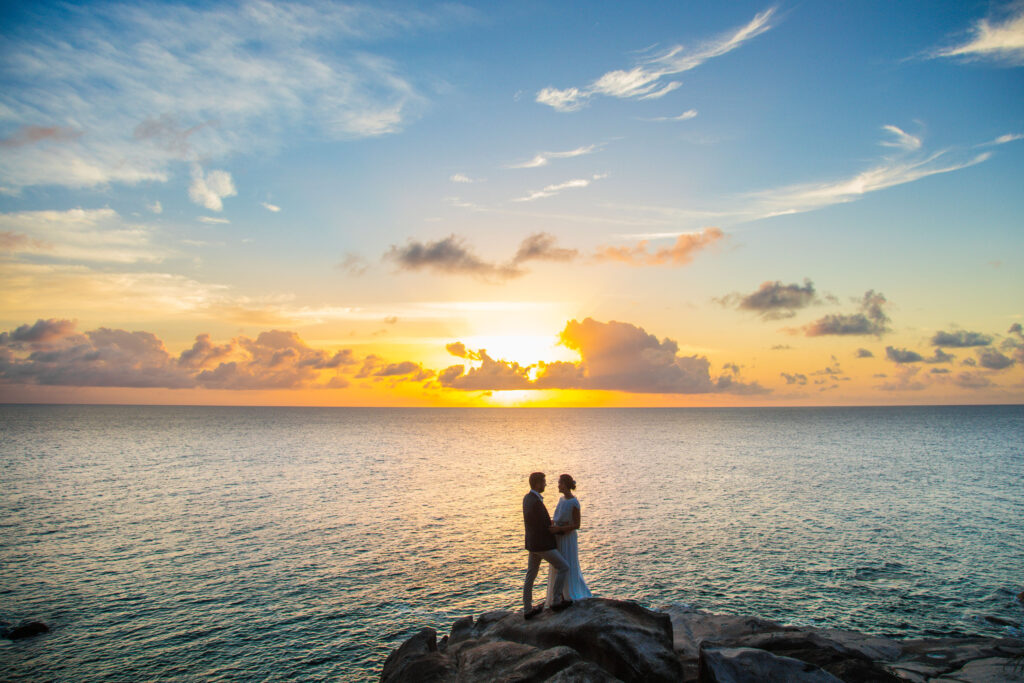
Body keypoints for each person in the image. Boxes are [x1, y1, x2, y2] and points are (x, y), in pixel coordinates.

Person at [522, 472, 571, 619]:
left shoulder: (527, 498)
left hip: (532, 544)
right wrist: (561, 530)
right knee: (564, 567)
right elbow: (545, 526)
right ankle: (556, 600)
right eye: (543, 482)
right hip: (542, 545)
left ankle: (527, 609)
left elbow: (537, 523)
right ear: (537, 484)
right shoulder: (536, 502)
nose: (545, 484)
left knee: (531, 575)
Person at [546, 474, 592, 607]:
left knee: (567, 564)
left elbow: (577, 525)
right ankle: (559, 594)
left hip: (567, 538)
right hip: (558, 537)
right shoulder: (561, 500)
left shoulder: (574, 502)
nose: (558, 485)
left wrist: (560, 529)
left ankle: (568, 593)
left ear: (565, 484)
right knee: (558, 566)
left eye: (560, 483)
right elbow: (557, 518)